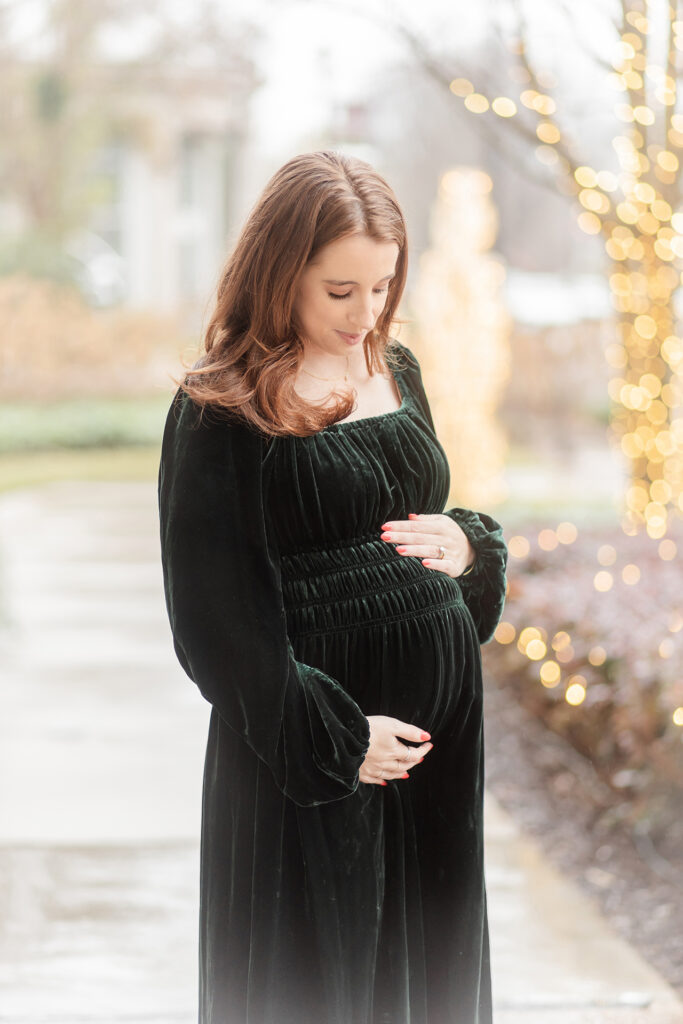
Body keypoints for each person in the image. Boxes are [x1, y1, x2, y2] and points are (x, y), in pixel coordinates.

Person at [157, 149, 508, 1024]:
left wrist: (468, 545)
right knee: (315, 975)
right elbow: (211, 617)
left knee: (430, 968)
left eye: (382, 287)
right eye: (339, 291)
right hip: (305, 749)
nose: (365, 314)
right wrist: (336, 738)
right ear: (279, 275)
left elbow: (409, 518)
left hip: (436, 741)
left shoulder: (400, 369)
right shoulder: (220, 407)